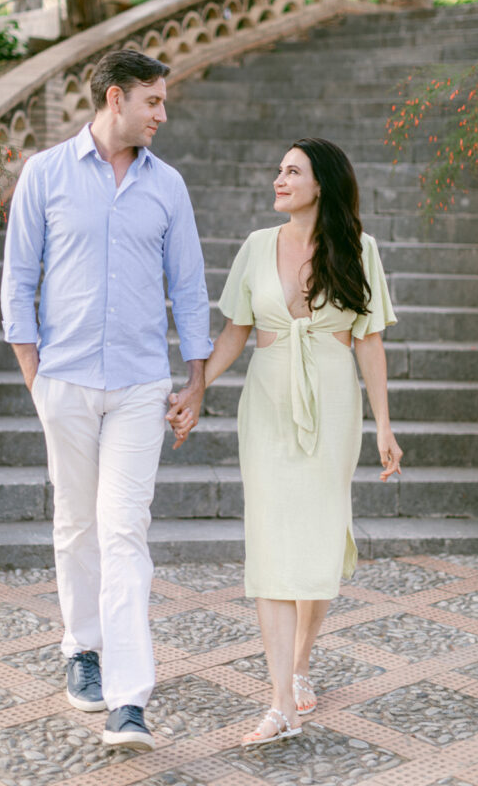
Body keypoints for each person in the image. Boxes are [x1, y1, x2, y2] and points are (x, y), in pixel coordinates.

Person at [0, 49, 211, 751]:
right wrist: (36, 377)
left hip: (138, 384)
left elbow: (187, 283)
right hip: (62, 379)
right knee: (76, 525)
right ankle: (81, 649)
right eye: (153, 101)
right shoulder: (45, 174)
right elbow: (17, 280)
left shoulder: (168, 186)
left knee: (124, 530)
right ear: (114, 98)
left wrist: (197, 378)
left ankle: (128, 698)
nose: (162, 113)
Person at [173, 137, 402, 748]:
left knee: (319, 539)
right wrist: (197, 386)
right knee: (272, 546)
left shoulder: (360, 250)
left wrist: (383, 424)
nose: (279, 178)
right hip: (269, 403)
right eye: (278, 169)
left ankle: (301, 661)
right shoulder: (255, 247)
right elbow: (235, 332)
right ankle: (279, 704)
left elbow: (370, 342)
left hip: (332, 402)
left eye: (292, 171)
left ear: (320, 184)